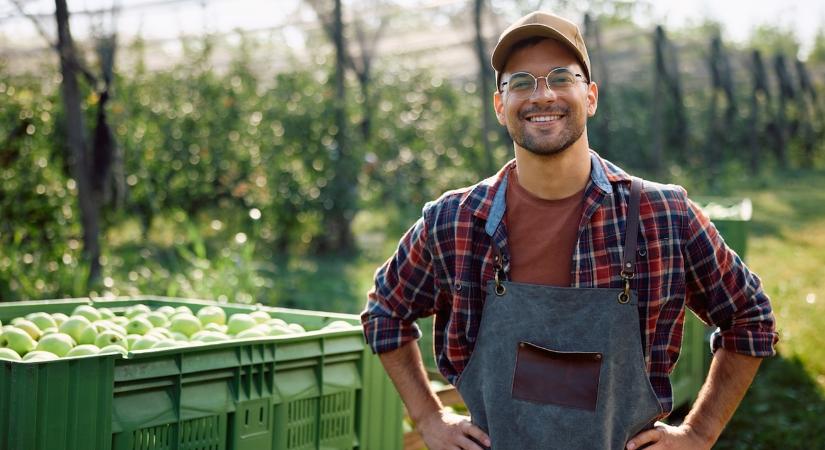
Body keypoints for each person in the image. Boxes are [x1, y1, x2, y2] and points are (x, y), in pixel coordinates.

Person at [361, 11, 777, 450]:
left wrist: (699, 432)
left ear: (591, 96)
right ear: (500, 106)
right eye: (520, 82)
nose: (542, 95)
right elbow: (385, 312)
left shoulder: (663, 216)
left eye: (561, 77)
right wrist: (429, 418)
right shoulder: (455, 221)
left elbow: (750, 318)